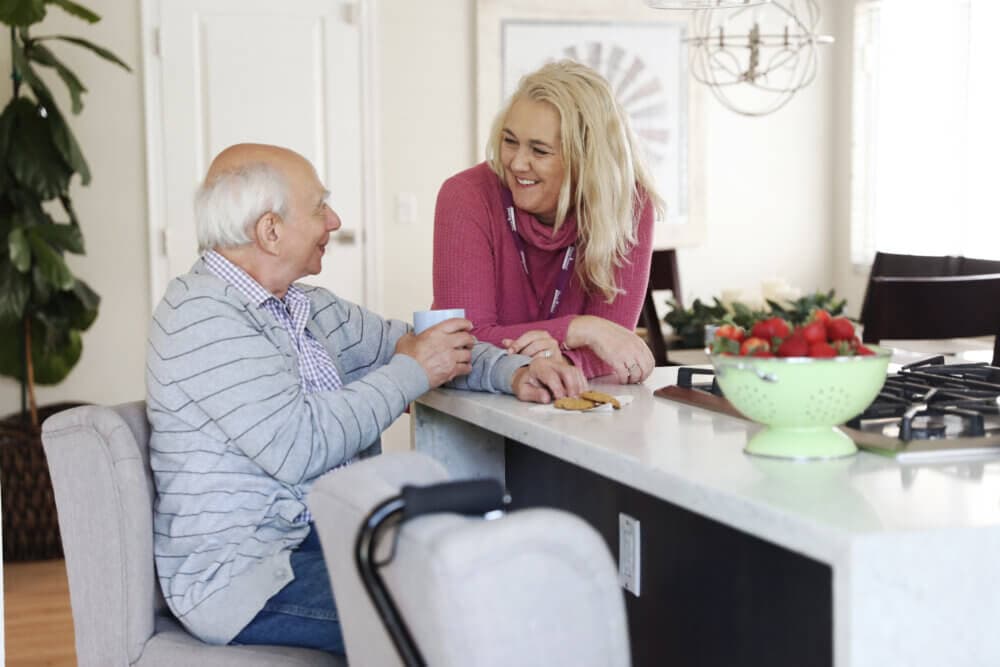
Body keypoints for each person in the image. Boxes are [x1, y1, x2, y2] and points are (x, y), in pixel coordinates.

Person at [145, 143, 585, 655]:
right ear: (269, 230)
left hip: (324, 539)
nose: (333, 220)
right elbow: (298, 445)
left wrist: (515, 372)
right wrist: (412, 372)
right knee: (469, 605)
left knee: (497, 571)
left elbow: (421, 346)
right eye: (318, 207)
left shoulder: (306, 307)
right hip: (248, 576)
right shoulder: (204, 317)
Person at [432, 60, 666, 384]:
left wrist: (559, 358)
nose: (516, 163)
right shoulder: (466, 196)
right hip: (475, 401)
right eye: (509, 141)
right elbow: (459, 346)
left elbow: (615, 348)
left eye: (539, 151)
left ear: (586, 160)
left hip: (570, 403)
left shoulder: (629, 206)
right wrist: (580, 329)